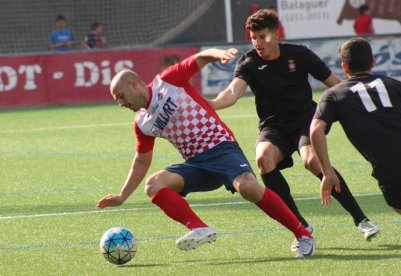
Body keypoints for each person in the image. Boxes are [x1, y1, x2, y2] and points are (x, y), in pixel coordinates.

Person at [96, 48, 316, 257]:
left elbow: (199, 58)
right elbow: (141, 161)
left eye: (121, 96)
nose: (120, 103)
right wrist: (122, 195)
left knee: (249, 187)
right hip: (197, 165)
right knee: (154, 185)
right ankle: (199, 228)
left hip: (221, 148)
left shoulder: (167, 81)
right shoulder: (142, 123)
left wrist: (218, 54)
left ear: (134, 84)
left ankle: (303, 235)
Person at [207, 9, 379, 251]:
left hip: (305, 121)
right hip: (273, 126)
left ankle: (362, 219)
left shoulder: (299, 54)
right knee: (263, 160)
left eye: (262, 36)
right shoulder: (249, 62)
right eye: (253, 37)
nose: (257, 42)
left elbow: (334, 84)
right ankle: (300, 226)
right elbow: (232, 93)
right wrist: (209, 105)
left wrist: (361, 100)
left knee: (312, 162)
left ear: (276, 35)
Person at [310, 37, 401, 229]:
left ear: (344, 67)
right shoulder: (395, 85)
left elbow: (316, 130)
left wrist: (327, 172)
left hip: (392, 167)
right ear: (373, 62)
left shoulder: (334, 94)